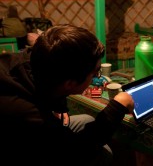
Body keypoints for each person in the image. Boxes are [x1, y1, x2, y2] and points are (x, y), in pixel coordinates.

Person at [0, 24, 134, 166]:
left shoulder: (34, 59)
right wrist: (117, 107)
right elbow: (76, 152)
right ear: (70, 83)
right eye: (95, 73)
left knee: (85, 120)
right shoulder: (28, 114)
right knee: (102, 155)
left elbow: (54, 86)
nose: (96, 76)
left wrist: (58, 107)